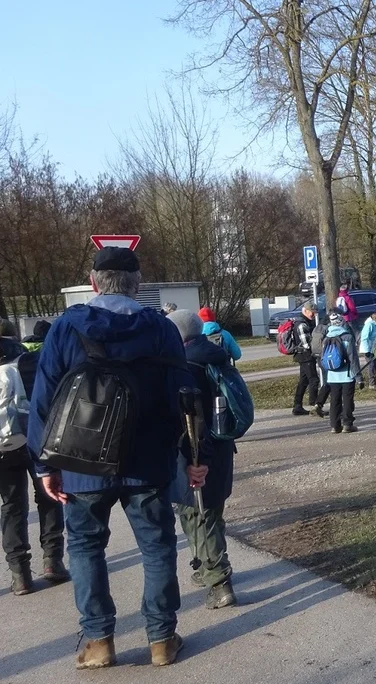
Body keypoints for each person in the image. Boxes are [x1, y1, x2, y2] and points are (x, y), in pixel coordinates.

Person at [28, 246, 197, 669]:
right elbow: (187, 398)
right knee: (157, 547)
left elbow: (43, 400)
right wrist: (192, 453)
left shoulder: (66, 327)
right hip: (149, 461)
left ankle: (99, 641)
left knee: (85, 548)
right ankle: (161, 639)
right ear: (138, 285)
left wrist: (44, 465)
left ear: (93, 281)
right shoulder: (161, 329)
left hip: (82, 463)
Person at [165, 310, 237, 610]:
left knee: (197, 516)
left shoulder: (184, 366)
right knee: (212, 512)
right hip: (222, 447)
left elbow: (189, 419)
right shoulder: (217, 357)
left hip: (195, 451)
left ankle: (219, 582)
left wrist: (194, 459)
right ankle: (210, 567)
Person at [0, 329, 67, 597]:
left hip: (3, 448)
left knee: (12, 506)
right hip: (35, 438)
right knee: (48, 496)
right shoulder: (28, 360)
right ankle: (53, 561)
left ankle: (20, 575)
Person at [322, 313, 360, 434]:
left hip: (332, 375)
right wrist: (358, 376)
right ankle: (347, 424)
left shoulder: (326, 337)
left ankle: (334, 425)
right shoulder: (347, 337)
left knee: (335, 400)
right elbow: (353, 359)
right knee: (347, 399)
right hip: (347, 375)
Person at [291, 301, 320, 416]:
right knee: (314, 380)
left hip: (302, 355)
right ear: (305, 311)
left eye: (314, 313)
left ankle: (297, 406)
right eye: (312, 313)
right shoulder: (302, 324)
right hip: (305, 355)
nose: (313, 315)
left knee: (303, 381)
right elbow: (306, 344)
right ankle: (315, 407)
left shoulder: (303, 322)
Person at [359, 311, 376, 391]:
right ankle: (372, 383)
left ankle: (373, 382)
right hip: (369, 349)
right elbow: (364, 338)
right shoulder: (369, 325)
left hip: (374, 349)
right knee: (371, 365)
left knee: (374, 364)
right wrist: (367, 350)